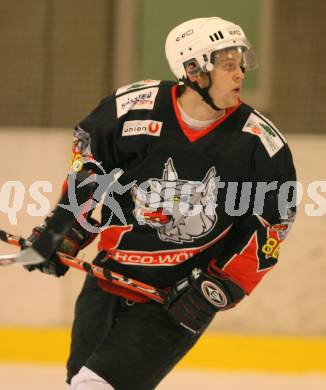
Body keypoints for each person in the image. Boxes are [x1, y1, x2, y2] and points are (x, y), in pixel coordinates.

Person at [21, 17, 296, 389]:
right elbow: (90, 168)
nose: (240, 73)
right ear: (193, 70)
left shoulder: (260, 145)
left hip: (175, 299)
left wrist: (220, 287)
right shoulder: (132, 109)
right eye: (228, 63)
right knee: (79, 384)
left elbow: (272, 227)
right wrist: (63, 230)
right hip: (107, 281)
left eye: (240, 62)